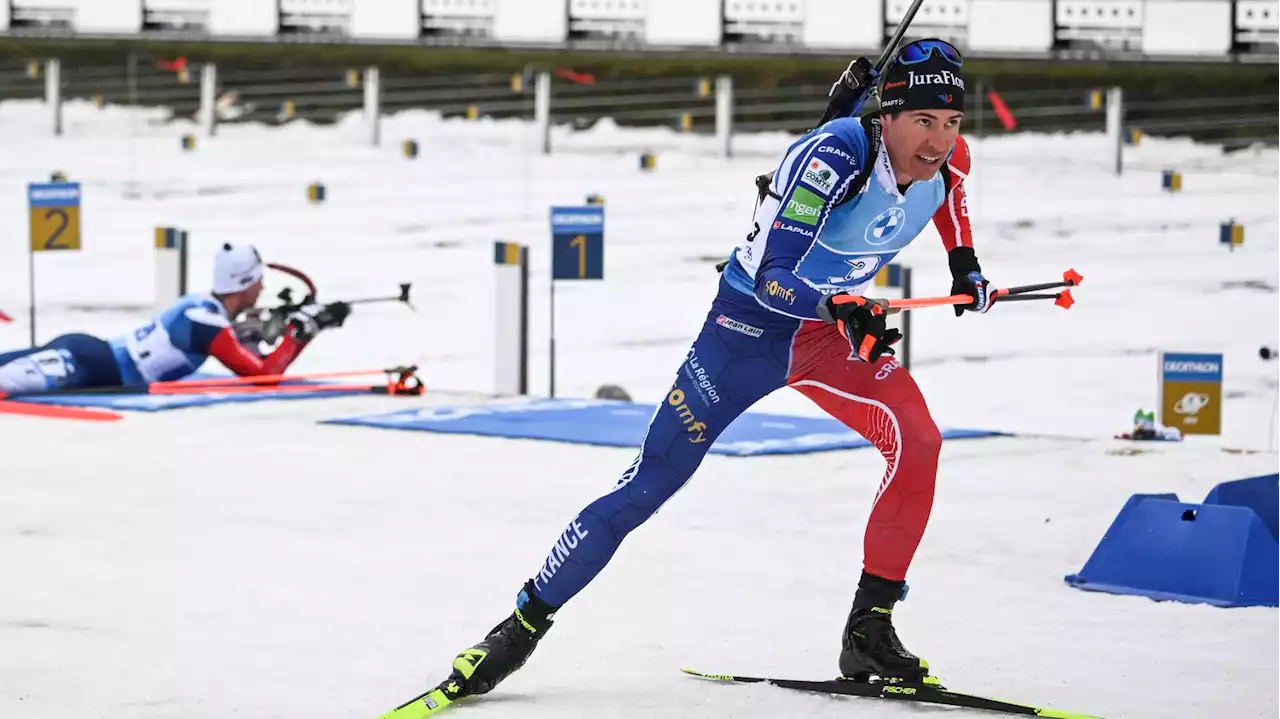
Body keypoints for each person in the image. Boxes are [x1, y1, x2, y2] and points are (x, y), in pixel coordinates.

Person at [425, 38, 995, 704]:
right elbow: (774, 277)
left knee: (918, 440)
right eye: (923, 120)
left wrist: (966, 265)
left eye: (951, 122)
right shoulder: (835, 154)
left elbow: (951, 199)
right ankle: (519, 625)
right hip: (745, 333)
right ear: (888, 115)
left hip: (828, 335)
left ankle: (868, 629)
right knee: (647, 486)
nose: (937, 140)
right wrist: (837, 305)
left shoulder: (951, 159)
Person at [0, 243, 348, 396]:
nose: (262, 288)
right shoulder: (206, 323)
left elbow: (247, 351)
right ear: (243, 282)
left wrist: (281, 330)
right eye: (258, 281)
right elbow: (263, 375)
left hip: (89, 354)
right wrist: (301, 333)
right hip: (89, 364)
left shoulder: (201, 305)